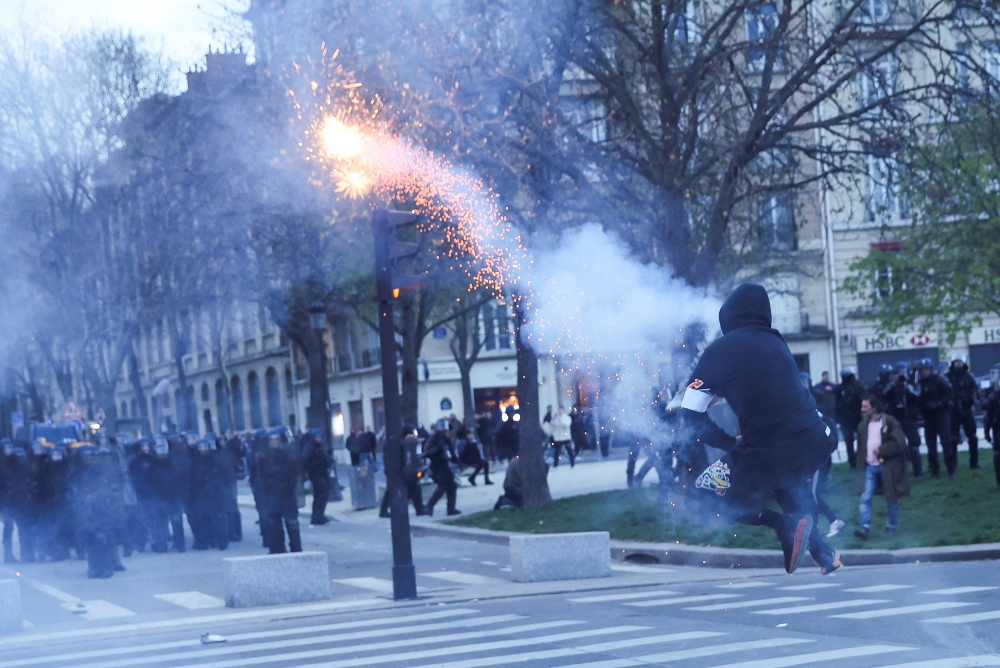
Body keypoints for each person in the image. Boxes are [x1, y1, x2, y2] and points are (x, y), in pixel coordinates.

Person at [681, 283, 840, 575]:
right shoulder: (776, 341)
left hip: (769, 448)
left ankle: (782, 524)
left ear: (726, 318)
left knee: (703, 492)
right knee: (784, 479)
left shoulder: (719, 350)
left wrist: (730, 442)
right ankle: (823, 553)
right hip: (816, 439)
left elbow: (689, 417)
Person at [854, 395, 910, 538]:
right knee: (865, 497)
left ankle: (892, 526)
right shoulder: (862, 425)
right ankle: (864, 527)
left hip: (887, 467)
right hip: (869, 468)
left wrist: (881, 450)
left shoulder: (889, 422)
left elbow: (900, 443)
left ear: (874, 407)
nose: (862, 409)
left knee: (891, 497)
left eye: (865, 406)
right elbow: (860, 448)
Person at [799, 373, 844, 538]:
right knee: (807, 494)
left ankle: (829, 523)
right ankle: (818, 525)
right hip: (809, 461)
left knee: (812, 494)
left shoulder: (816, 415)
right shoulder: (809, 414)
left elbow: (825, 436)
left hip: (816, 462)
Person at [258, 429, 301, 553]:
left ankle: (296, 548)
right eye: (271, 440)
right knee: (273, 524)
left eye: (276, 440)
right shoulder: (263, 456)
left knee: (291, 523)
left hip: (287, 493)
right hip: (272, 495)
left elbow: (294, 472)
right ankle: (277, 548)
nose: (274, 442)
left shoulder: (287, 454)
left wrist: (288, 485)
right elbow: (261, 475)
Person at [884, 362, 924, 480]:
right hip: (896, 419)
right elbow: (884, 396)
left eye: (902, 372)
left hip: (910, 418)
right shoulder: (891, 385)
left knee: (914, 446)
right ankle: (900, 475)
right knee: (898, 447)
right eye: (897, 373)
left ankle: (918, 474)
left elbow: (918, 396)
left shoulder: (913, 383)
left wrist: (908, 388)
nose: (900, 375)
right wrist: (893, 385)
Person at [189, 437, 229, 551]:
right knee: (204, 519)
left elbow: (224, 476)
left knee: (219, 518)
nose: (202, 450)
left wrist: (215, 485)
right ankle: (206, 540)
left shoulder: (215, 460)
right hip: (201, 495)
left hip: (216, 493)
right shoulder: (195, 461)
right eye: (200, 447)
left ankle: (221, 541)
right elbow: (192, 479)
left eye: (204, 447)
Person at [917, 357, 955, 478]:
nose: (924, 372)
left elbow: (950, 392)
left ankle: (951, 469)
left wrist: (939, 403)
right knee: (930, 444)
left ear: (931, 369)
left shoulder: (939, 378)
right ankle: (934, 470)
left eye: (926, 369)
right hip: (928, 416)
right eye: (922, 370)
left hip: (941, 414)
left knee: (946, 442)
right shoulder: (919, 383)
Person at [946, 354, 980, 470]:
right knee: (953, 438)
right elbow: (943, 392)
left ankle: (974, 463)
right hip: (953, 411)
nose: (958, 364)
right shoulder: (947, 377)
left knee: (973, 437)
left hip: (967, 410)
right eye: (956, 362)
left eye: (960, 362)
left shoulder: (969, 377)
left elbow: (975, 390)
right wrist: (948, 401)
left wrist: (971, 401)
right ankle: (953, 464)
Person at [424, 419, 460, 516]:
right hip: (436, 466)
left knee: (452, 485)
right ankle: (430, 505)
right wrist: (437, 449)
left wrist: (456, 460)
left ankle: (451, 508)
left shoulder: (446, 440)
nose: (444, 430)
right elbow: (428, 452)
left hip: (444, 465)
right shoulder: (433, 438)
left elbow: (451, 452)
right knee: (442, 486)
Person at [300, 429, 333, 525]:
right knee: (323, 492)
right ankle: (318, 515)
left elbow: (325, 458)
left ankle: (318, 515)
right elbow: (304, 460)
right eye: (317, 437)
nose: (319, 438)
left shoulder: (319, 447)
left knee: (319, 494)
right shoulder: (309, 447)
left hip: (322, 472)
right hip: (315, 473)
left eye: (320, 437)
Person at [835, 367, 864, 469]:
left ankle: (861, 458)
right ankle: (852, 462)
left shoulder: (858, 386)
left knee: (863, 437)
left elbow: (863, 399)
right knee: (849, 440)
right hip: (845, 418)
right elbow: (836, 404)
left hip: (857, 416)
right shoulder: (839, 388)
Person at [983, 371, 1000, 490]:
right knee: (998, 456)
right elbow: (988, 416)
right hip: (998, 429)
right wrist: (987, 432)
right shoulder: (994, 397)